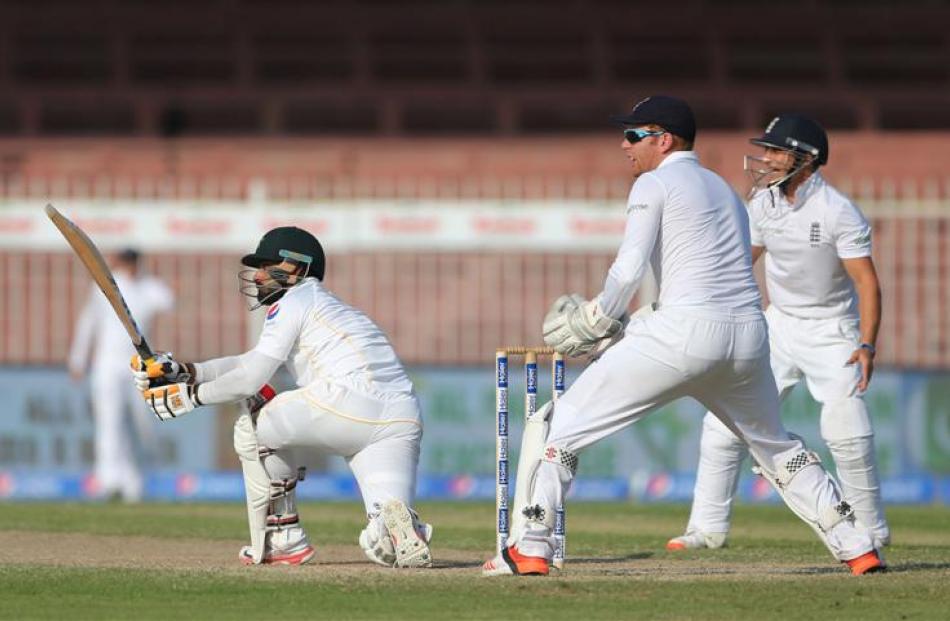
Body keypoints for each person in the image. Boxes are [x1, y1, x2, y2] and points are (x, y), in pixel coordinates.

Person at [481, 96, 883, 577]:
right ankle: (858, 545)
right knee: (777, 447)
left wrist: (598, 318)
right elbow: (714, 276)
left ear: (663, 139)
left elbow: (629, 267)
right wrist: (635, 325)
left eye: (633, 135)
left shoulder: (654, 183)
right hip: (749, 336)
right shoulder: (725, 190)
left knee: (555, 427)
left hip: (683, 335)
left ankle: (531, 546)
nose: (624, 144)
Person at [130, 226, 433, 568]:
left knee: (257, 414)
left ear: (299, 268)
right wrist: (189, 371)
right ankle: (397, 526)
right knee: (385, 539)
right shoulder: (329, 307)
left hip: (350, 399)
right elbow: (248, 361)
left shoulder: (296, 298)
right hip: (401, 415)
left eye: (269, 264)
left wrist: (190, 397)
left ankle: (284, 538)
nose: (258, 275)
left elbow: (250, 379)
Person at [667, 114, 889, 552]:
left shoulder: (837, 211)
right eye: (765, 149)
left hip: (831, 329)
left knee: (845, 425)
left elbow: (867, 282)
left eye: (775, 150)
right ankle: (707, 529)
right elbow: (740, 261)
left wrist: (866, 344)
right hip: (778, 324)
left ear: (805, 160)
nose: (765, 158)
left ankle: (871, 530)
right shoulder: (763, 204)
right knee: (722, 423)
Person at [69, 248, 174, 502]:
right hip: (107, 364)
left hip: (139, 366)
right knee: (109, 422)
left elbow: (168, 301)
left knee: (142, 423)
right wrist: (78, 358)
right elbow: (89, 322)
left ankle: (135, 482)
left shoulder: (148, 288)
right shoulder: (104, 287)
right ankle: (107, 480)